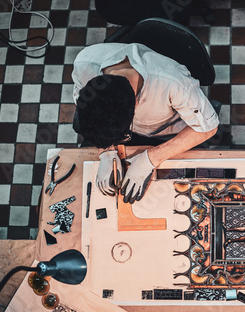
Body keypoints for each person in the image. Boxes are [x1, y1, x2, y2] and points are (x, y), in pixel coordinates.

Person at [72, 43, 219, 203]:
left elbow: (208, 128)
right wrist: (106, 152)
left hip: (168, 134)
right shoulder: (84, 64)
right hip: (126, 129)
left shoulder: (173, 83)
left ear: (136, 106)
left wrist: (149, 160)